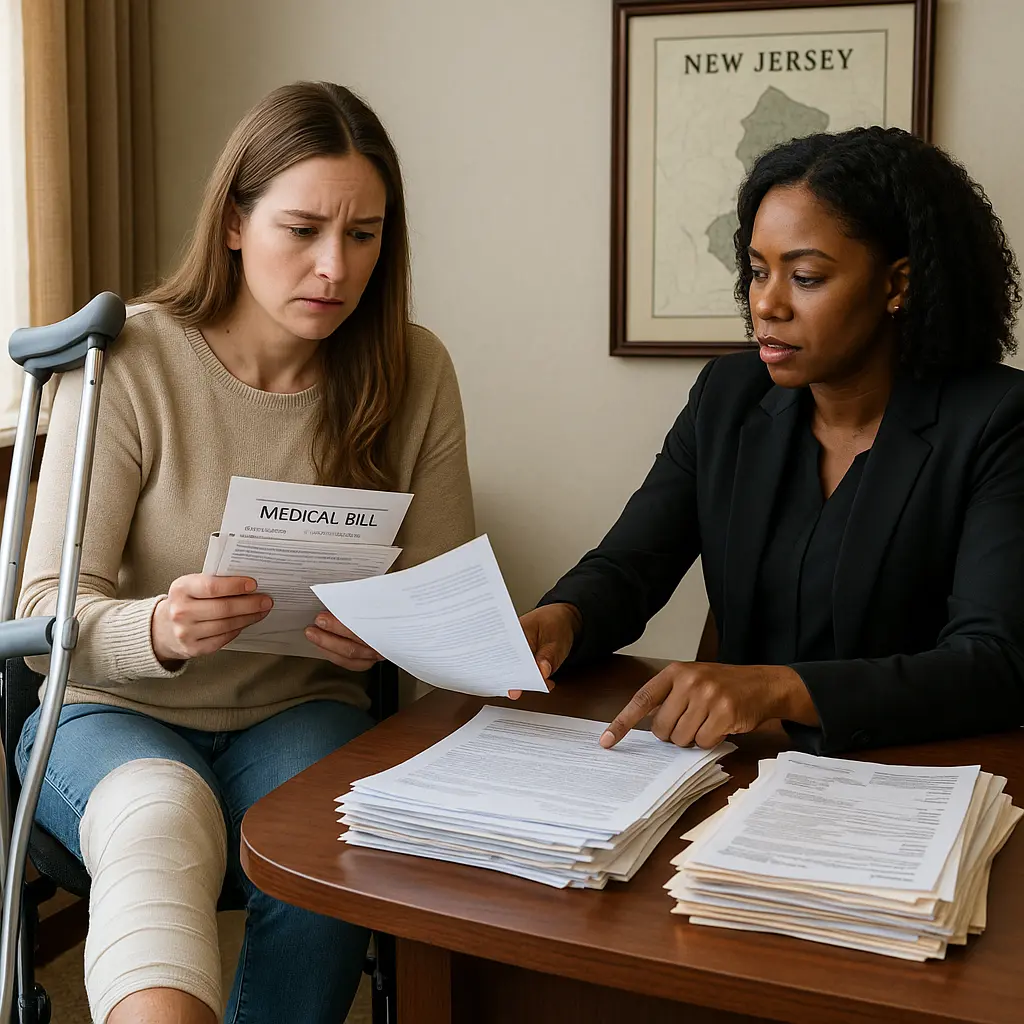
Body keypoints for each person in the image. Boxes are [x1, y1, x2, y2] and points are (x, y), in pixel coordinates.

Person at [16, 81, 473, 1024]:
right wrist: (163, 626)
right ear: (233, 222)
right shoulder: (131, 359)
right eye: (301, 229)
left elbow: (445, 600)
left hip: (300, 708)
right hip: (110, 712)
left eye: (363, 235)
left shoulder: (414, 369)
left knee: (331, 833)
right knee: (161, 817)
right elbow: (47, 603)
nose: (334, 268)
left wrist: (387, 632)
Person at [520, 126, 1024, 758]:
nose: (766, 304)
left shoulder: (998, 419)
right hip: (735, 770)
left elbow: (994, 663)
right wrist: (563, 618)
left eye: (805, 277)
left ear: (898, 285)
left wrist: (780, 690)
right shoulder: (727, 396)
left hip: (911, 777)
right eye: (758, 272)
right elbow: (630, 566)